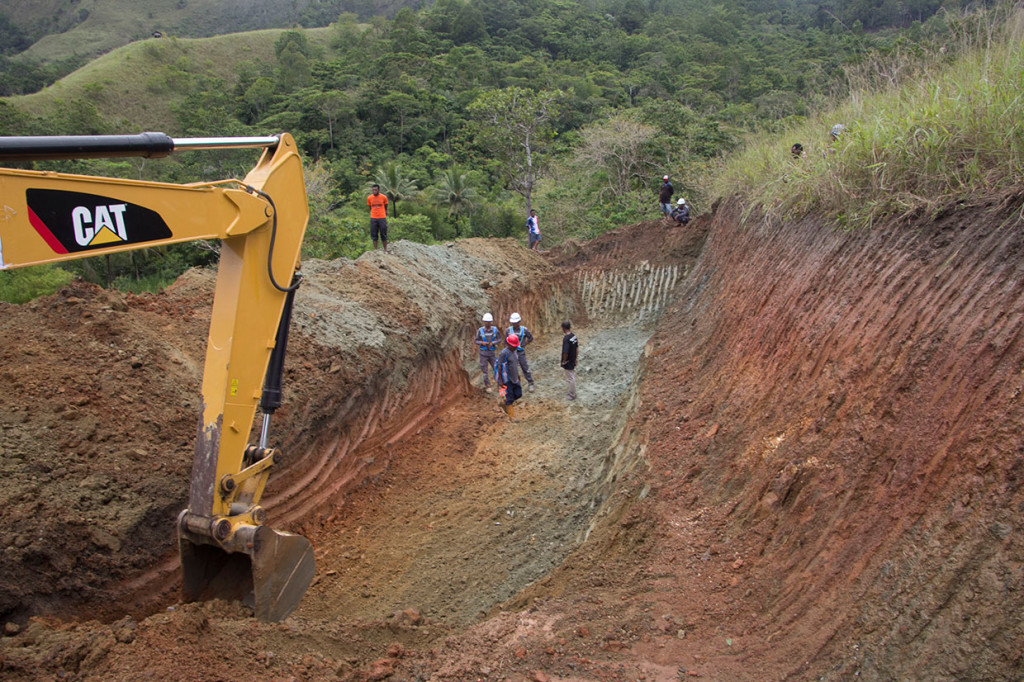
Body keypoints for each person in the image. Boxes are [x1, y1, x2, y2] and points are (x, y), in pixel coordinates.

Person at [495, 334, 523, 419]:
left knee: (518, 394)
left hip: (514, 378)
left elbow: (515, 364)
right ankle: (511, 417)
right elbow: (499, 366)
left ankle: (505, 403)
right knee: (509, 397)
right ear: (508, 344)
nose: (515, 347)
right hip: (506, 379)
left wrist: (517, 375)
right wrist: (500, 380)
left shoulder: (515, 351)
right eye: (513, 346)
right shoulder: (503, 353)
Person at [505, 312, 535, 391]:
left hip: (520, 352)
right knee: (512, 369)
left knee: (524, 367)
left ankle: (530, 382)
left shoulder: (524, 330)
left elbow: (530, 337)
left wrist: (526, 343)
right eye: (513, 323)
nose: (514, 324)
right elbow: (505, 341)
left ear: (519, 322)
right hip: (511, 353)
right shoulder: (508, 331)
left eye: (516, 322)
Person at [475, 313, 501, 393]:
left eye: (489, 322)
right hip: (483, 354)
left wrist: (493, 343)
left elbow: (499, 339)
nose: (487, 323)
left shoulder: (495, 330)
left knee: (496, 368)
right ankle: (488, 386)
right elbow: (476, 340)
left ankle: (500, 384)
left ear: (491, 322)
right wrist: (482, 343)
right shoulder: (480, 330)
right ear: (483, 322)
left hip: (492, 353)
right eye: (486, 322)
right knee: (485, 371)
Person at [366, 184, 389, 253]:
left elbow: (386, 205)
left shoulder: (383, 197)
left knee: (383, 233)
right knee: (374, 234)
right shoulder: (369, 198)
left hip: (382, 217)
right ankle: (375, 250)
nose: (374, 191)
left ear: (378, 190)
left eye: (375, 190)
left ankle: (385, 249)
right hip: (373, 218)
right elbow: (370, 207)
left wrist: (384, 212)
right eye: (373, 190)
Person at [560, 321, 578, 401]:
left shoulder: (566, 338)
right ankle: (572, 391)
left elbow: (565, 352)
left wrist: (564, 361)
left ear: (563, 328)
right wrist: (576, 358)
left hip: (568, 361)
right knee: (572, 376)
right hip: (573, 359)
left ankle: (572, 395)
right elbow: (577, 348)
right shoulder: (573, 336)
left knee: (570, 378)